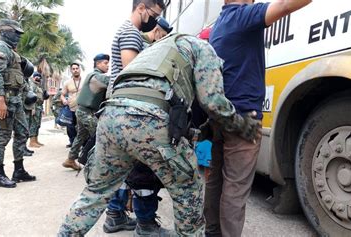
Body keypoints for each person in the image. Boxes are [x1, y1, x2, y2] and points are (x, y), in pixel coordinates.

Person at [58, 33, 261, 237]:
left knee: (96, 192)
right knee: (188, 188)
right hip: (149, 118)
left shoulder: (158, 49)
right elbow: (213, 101)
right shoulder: (204, 49)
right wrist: (241, 124)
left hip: (111, 116)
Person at [204, 0, 312, 236]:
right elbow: (284, 6)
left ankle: (211, 232)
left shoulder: (219, 25)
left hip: (220, 116)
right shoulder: (242, 16)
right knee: (236, 185)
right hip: (244, 117)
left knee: (216, 180)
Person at [102, 0, 166, 235]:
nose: (155, 20)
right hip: (130, 111)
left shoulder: (129, 32)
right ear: (142, 8)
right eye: (154, 14)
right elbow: (134, 71)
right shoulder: (130, 32)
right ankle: (146, 224)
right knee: (143, 169)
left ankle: (115, 216)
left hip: (117, 110)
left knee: (120, 168)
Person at [0, 19, 36, 188]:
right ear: (6, 31)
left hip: (16, 99)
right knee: (2, 136)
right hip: (5, 100)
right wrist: (0, 100)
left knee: (23, 132)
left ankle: (19, 170)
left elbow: (18, 75)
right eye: (16, 33)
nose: (17, 37)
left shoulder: (10, 50)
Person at [67, 54, 110, 165]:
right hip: (87, 113)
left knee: (80, 136)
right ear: (98, 64)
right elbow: (113, 81)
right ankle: (96, 164)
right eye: (105, 63)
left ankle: (70, 159)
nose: (108, 65)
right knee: (100, 136)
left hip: (82, 111)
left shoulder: (92, 75)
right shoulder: (98, 76)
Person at [60, 63, 83, 171]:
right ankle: (73, 148)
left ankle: (78, 149)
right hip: (71, 109)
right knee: (71, 129)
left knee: (82, 129)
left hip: (83, 109)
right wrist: (64, 100)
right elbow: (62, 94)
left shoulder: (85, 81)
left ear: (79, 69)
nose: (75, 70)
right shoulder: (67, 83)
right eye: (73, 69)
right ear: (71, 71)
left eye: (76, 68)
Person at [28, 71, 45, 148]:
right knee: (33, 124)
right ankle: (32, 142)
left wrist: (42, 108)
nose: (38, 78)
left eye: (39, 77)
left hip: (39, 107)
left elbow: (41, 98)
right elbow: (31, 97)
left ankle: (36, 140)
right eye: (36, 76)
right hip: (35, 106)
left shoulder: (39, 87)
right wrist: (32, 108)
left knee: (37, 125)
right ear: (33, 77)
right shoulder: (32, 86)